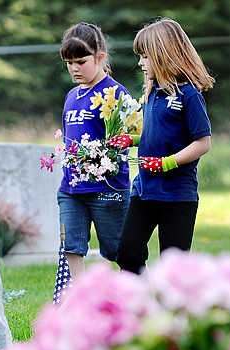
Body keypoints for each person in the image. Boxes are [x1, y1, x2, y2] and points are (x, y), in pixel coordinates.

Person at [108, 17, 215, 274]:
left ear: (163, 55)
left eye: (145, 57)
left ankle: (171, 311)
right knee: (127, 253)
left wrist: (167, 163)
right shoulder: (152, 92)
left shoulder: (189, 96)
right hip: (144, 191)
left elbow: (203, 143)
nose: (140, 63)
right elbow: (154, 135)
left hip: (177, 195)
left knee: (173, 270)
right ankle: (143, 304)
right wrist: (131, 140)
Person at [57, 22, 131, 279]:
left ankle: (141, 300)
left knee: (119, 251)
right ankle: (80, 302)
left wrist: (104, 154)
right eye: (69, 62)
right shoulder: (71, 96)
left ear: (100, 57)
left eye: (81, 61)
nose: (74, 68)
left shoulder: (115, 93)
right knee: (72, 247)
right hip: (71, 189)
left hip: (106, 188)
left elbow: (131, 137)